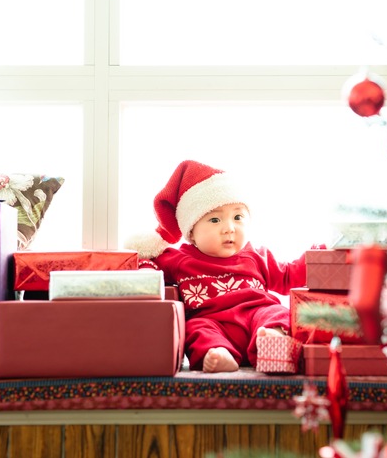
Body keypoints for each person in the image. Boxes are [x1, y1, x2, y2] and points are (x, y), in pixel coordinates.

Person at [125, 160, 307, 373]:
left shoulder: (256, 255)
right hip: (212, 320)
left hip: (255, 314)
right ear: (192, 232)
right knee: (197, 330)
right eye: (214, 220)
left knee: (276, 312)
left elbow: (288, 276)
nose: (229, 228)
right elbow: (144, 262)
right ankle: (219, 353)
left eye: (238, 217)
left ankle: (272, 343)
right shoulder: (181, 259)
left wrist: (319, 256)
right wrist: (146, 268)